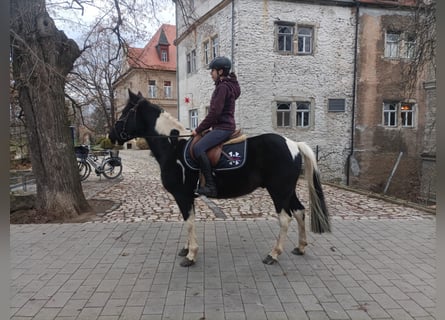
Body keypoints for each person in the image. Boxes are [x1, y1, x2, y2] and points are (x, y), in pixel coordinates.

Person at [192, 56, 241, 197]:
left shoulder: (223, 88)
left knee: (198, 148)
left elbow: (214, 114)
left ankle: (210, 186)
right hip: (223, 126)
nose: (210, 73)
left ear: (220, 72)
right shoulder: (228, 85)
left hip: (223, 128)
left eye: (212, 70)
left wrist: (198, 129)